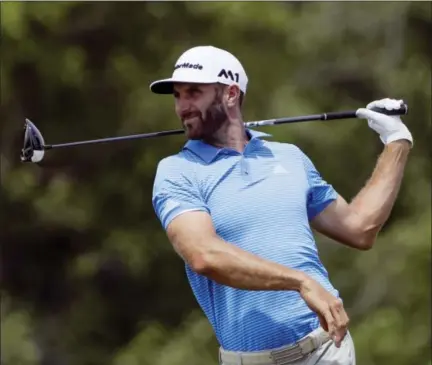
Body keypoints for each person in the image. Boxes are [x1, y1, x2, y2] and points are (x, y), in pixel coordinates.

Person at [149, 45, 413, 365]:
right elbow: (204, 255)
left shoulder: (290, 157)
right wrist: (300, 281)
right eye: (177, 95)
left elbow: (359, 229)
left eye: (194, 92)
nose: (182, 107)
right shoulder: (176, 171)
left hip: (326, 351)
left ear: (231, 94)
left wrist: (396, 142)